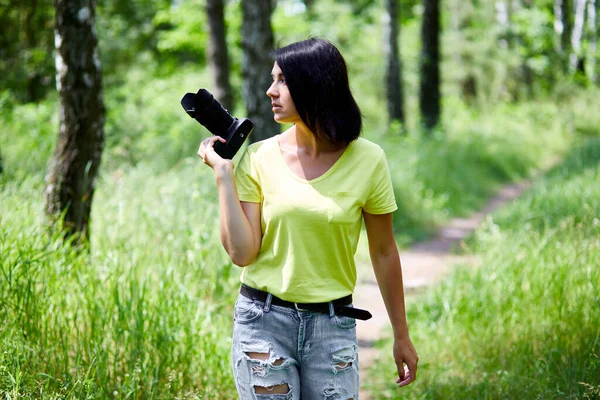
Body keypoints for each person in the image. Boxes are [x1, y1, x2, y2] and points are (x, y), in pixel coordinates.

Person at [198, 37, 418, 399]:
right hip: (263, 324)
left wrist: (401, 334)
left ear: (315, 84)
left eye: (283, 80)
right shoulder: (258, 157)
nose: (271, 91)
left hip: (333, 327)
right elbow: (242, 253)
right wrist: (223, 174)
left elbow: (383, 251)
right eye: (272, 79)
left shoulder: (368, 160)